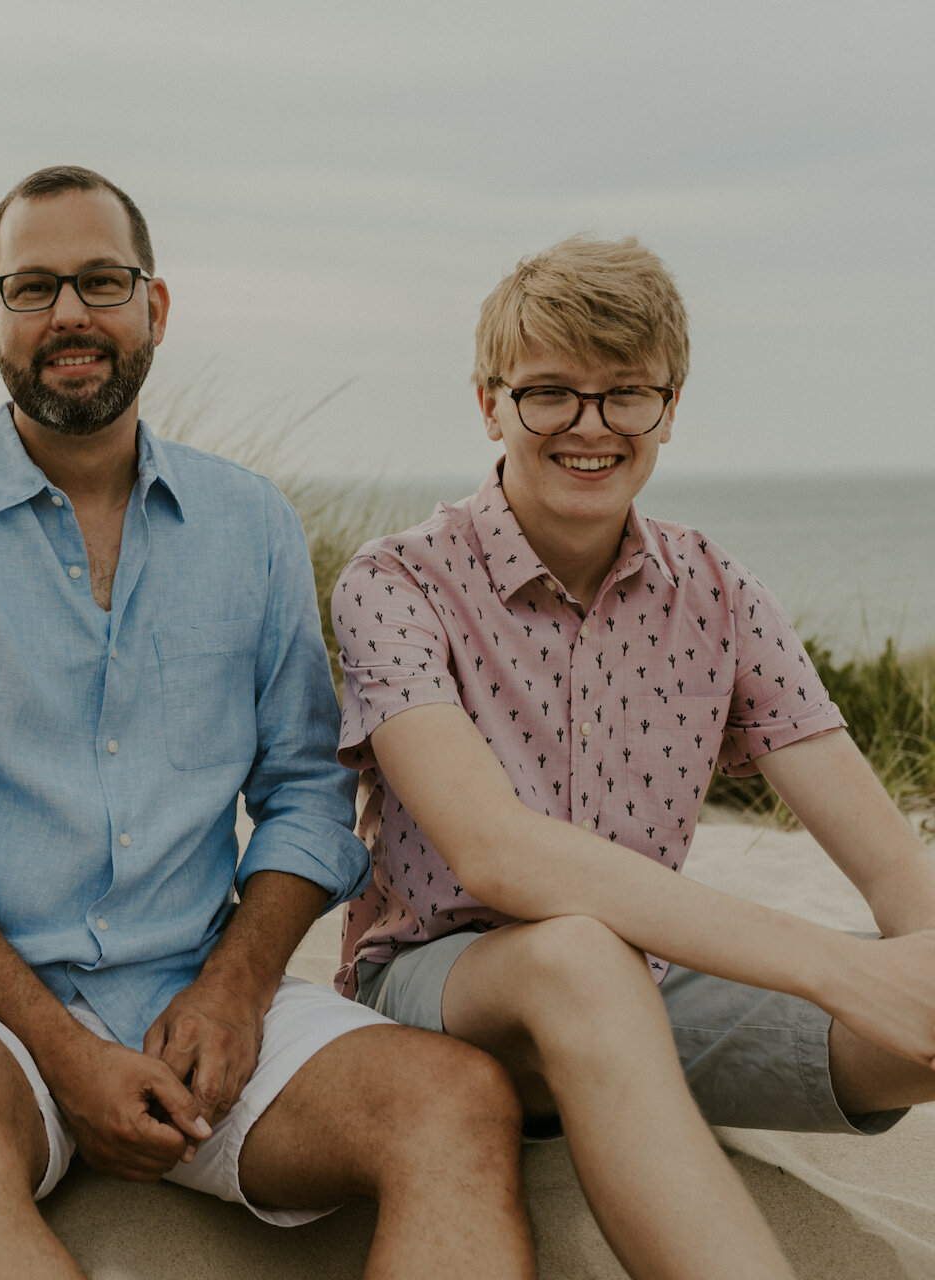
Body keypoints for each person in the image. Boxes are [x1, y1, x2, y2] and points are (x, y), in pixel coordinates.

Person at [0, 165, 535, 1279]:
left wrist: (238, 986)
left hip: (200, 995)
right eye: (34, 286)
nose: (70, 316)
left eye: (102, 281)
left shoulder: (250, 522)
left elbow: (304, 789)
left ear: (156, 304)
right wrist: (62, 1050)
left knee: (458, 1102)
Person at [332, 235, 935, 1280]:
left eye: (626, 395)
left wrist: (916, 963)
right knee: (576, 952)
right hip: (445, 990)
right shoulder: (398, 583)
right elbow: (496, 853)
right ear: (490, 404)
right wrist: (845, 969)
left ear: (670, 407)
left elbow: (892, 866)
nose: (590, 425)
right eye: (550, 392)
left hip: (652, 995)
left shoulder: (720, 591)